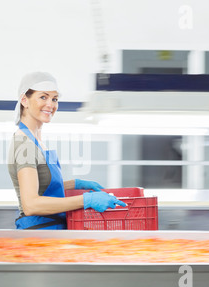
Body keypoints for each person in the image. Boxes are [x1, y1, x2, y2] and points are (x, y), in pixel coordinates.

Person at [7, 71, 126, 230]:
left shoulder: (36, 141)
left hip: (50, 229)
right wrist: (86, 200)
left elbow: (42, 185)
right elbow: (31, 205)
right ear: (24, 100)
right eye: (43, 97)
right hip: (38, 233)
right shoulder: (25, 145)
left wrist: (76, 184)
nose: (51, 104)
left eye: (54, 99)